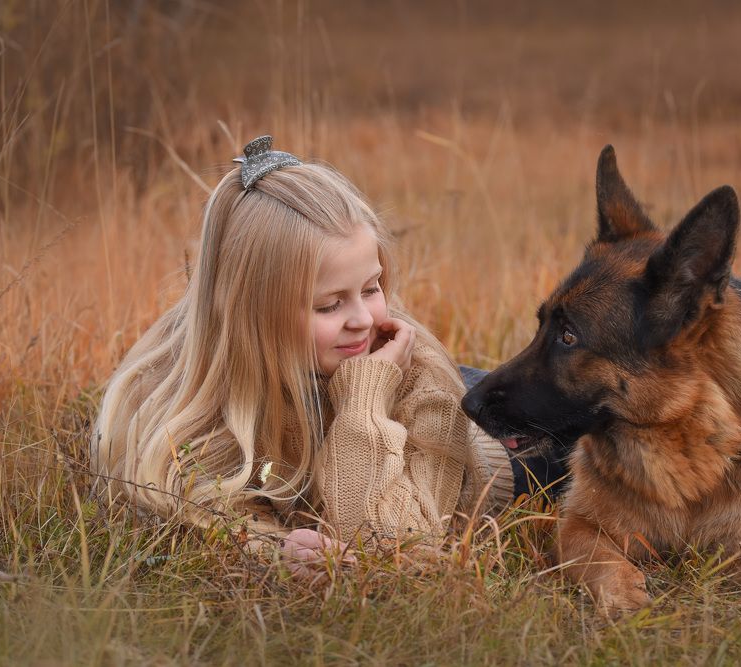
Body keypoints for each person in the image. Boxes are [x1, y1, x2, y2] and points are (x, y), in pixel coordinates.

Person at [92, 136, 521, 568]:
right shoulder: (192, 384)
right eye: (328, 305)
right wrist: (277, 552)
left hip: (510, 438)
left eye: (372, 289)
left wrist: (364, 398)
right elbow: (210, 510)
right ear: (252, 315)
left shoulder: (420, 379)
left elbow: (394, 541)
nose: (364, 320)